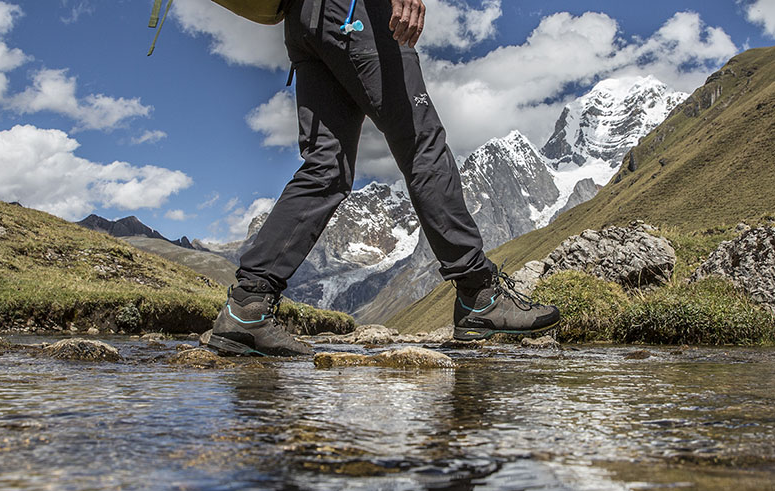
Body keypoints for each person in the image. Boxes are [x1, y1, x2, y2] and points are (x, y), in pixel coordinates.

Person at [208, 0, 560, 357]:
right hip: (355, 13)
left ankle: (247, 306)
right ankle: (478, 295)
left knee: (325, 168)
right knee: (422, 143)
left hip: (305, 21)